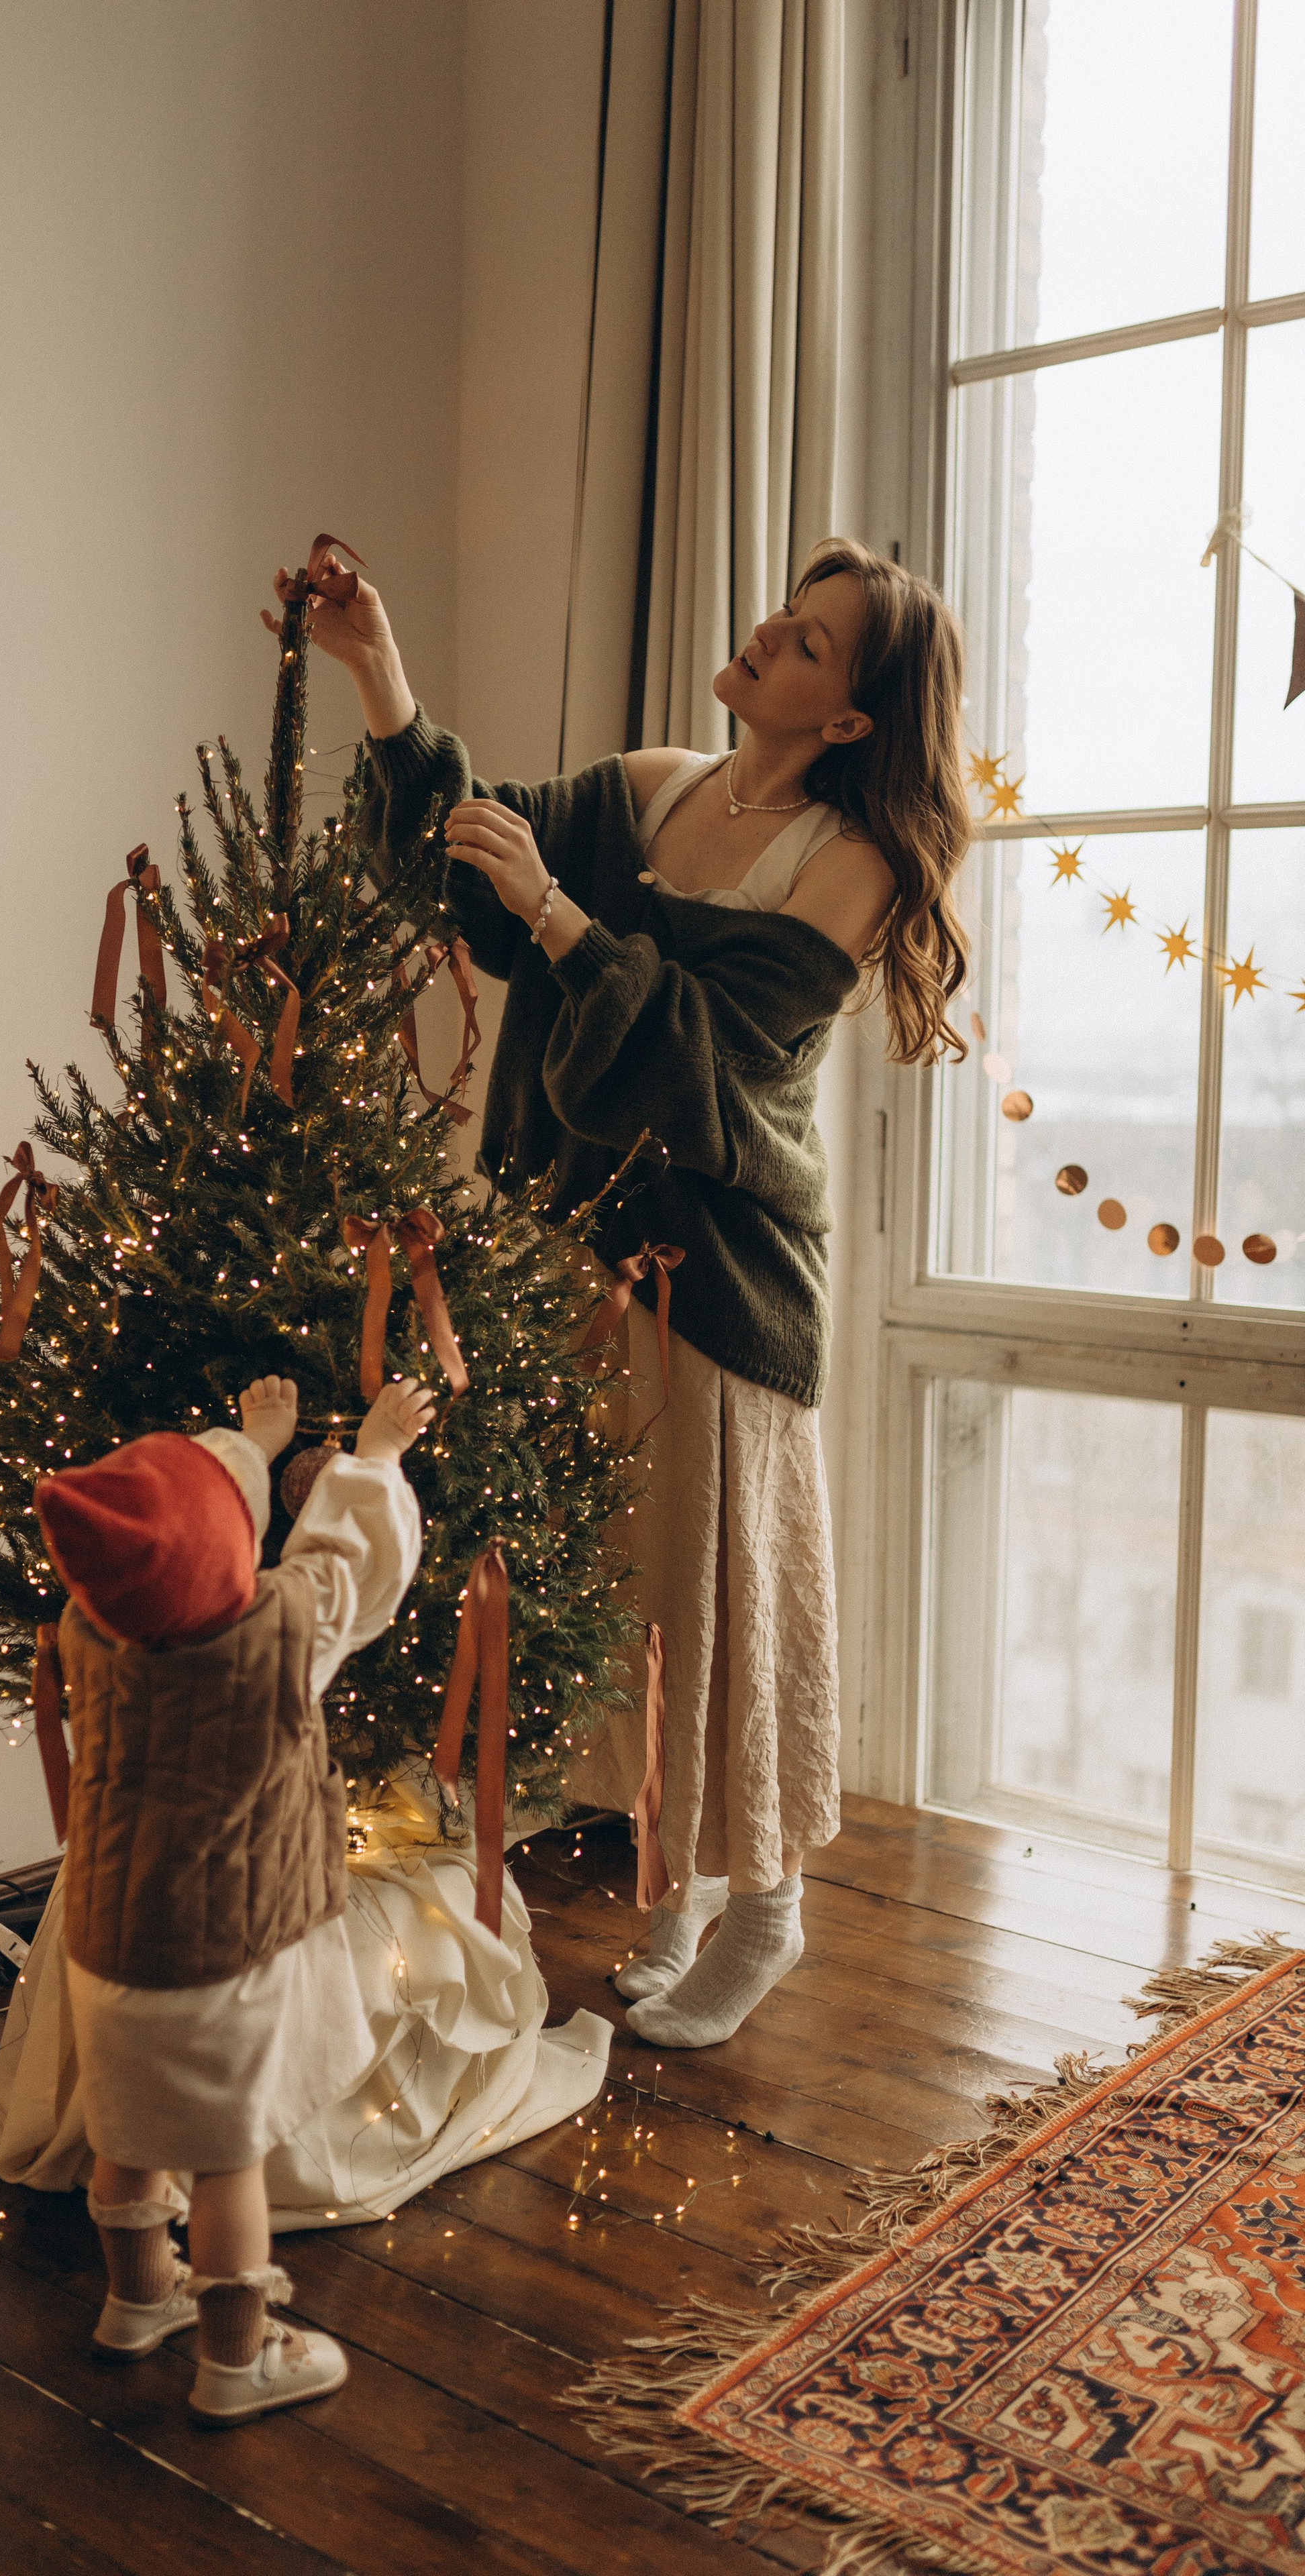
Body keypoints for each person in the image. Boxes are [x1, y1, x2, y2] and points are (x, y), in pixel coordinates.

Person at [290, 535, 971, 2051]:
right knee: (613, 1604)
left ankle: (771, 1907)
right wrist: (378, 671)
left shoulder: (844, 868)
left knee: (710, 1604)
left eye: (803, 643)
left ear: (850, 719)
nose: (763, 638)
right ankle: (671, 1899)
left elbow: (705, 1077)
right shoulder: (656, 784)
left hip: (714, 1285)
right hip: (562, 1256)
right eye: (780, 619)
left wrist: (558, 920)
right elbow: (467, 859)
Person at [35, 1368, 433, 2422]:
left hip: (109, 1947)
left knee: (127, 2133)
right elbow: (345, 1564)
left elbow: (175, 1538)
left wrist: (256, 1444)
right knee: (227, 2165)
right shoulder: (276, 1642)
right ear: (234, 1553)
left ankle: (135, 2304)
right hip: (222, 1961)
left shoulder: (93, 1636)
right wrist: (376, 1458)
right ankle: (234, 2361)